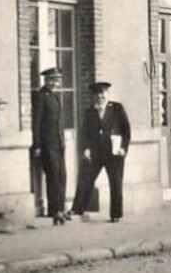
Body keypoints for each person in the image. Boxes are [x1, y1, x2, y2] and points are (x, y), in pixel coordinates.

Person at [71, 80, 132, 222]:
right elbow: (84, 133)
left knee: (116, 183)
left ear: (108, 94)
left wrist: (124, 147)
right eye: (97, 94)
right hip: (96, 153)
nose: (100, 97)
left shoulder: (117, 109)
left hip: (114, 153)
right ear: (94, 96)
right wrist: (85, 149)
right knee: (85, 178)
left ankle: (116, 214)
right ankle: (77, 209)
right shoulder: (90, 112)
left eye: (103, 93)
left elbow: (126, 130)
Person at [31, 66, 69, 224]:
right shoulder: (41, 97)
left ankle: (61, 207)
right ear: (46, 81)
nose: (55, 83)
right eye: (52, 80)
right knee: (53, 177)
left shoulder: (55, 97)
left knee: (62, 176)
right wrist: (37, 145)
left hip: (58, 143)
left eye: (57, 80)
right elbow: (37, 122)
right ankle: (54, 211)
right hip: (47, 144)